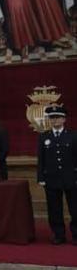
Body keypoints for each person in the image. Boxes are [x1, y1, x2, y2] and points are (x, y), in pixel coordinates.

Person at [36, 103, 77, 243]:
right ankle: (59, 235)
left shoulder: (73, 136)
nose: (55, 120)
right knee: (54, 209)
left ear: (64, 119)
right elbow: (41, 159)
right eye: (52, 118)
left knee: (75, 208)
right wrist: (41, 177)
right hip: (51, 178)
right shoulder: (44, 137)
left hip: (71, 177)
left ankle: (76, 235)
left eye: (58, 118)